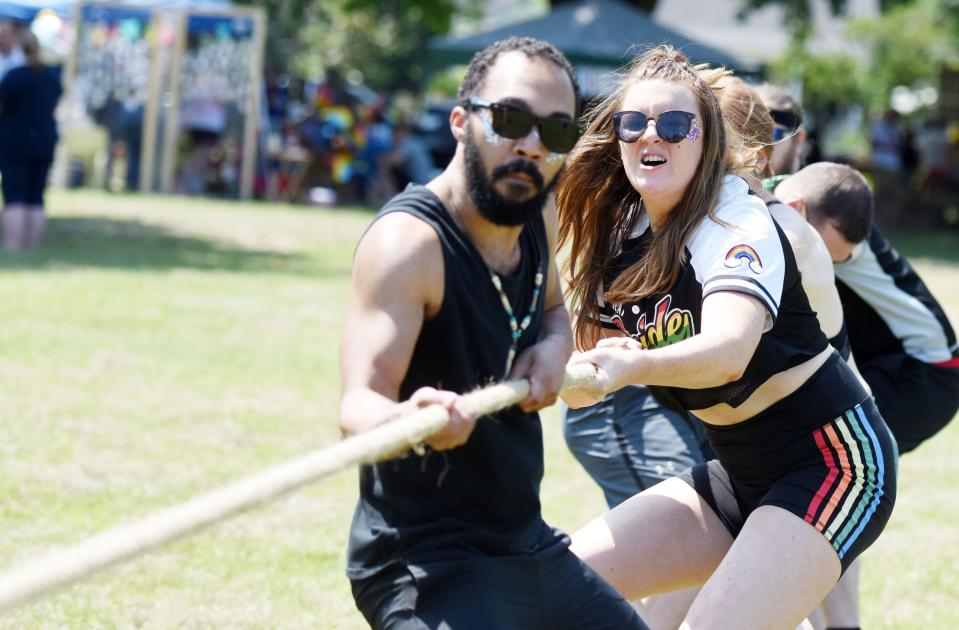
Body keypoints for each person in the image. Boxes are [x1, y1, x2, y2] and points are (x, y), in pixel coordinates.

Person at [556, 45, 897, 629]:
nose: (649, 137)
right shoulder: (616, 234)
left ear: (706, 139)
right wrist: (578, 377)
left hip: (833, 463)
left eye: (673, 124)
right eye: (632, 123)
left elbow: (729, 353)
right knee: (557, 586)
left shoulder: (737, 222)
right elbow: (584, 374)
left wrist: (633, 367)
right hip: (735, 473)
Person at [339, 37, 646, 629]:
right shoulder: (409, 245)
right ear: (460, 121)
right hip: (425, 563)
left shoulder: (537, 211)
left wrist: (556, 348)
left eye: (556, 132)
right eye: (510, 119)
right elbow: (358, 405)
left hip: (524, 545)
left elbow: (554, 308)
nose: (531, 146)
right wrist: (407, 423)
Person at [775, 162, 959, 630]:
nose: (828, 260)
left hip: (924, 377)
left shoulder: (818, 224)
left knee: (830, 478)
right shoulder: (808, 207)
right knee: (818, 479)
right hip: (896, 366)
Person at [0, 30, 62, 251]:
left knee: (15, 193)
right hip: (44, 141)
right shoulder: (51, 76)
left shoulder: (14, 76)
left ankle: (14, 244)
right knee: (36, 194)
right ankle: (32, 245)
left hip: (15, 141)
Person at [754, 83, 806, 185]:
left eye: (769, 134)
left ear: (799, 140)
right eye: (745, 133)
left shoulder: (817, 197)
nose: (756, 146)